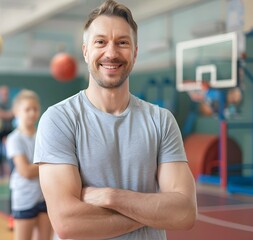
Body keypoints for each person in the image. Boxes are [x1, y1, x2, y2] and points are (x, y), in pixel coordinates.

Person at [34, 1, 197, 239]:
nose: (111, 53)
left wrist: (112, 196)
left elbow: (185, 213)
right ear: (86, 50)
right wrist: (153, 213)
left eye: (122, 42)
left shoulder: (161, 121)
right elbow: (68, 223)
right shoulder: (59, 119)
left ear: (135, 52)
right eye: (100, 42)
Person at [6, 90, 53, 240]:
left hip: (45, 197)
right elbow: (25, 171)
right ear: (16, 112)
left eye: (35, 109)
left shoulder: (43, 135)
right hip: (24, 197)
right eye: (27, 109)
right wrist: (50, 165)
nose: (32, 113)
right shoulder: (14, 139)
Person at [0, 85, 14, 177]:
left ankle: (12, 170)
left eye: (6, 93)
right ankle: (0, 172)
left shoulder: (11, 103)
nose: (4, 95)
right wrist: (7, 114)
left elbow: (12, 114)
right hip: (0, 131)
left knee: (11, 151)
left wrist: (4, 114)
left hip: (9, 130)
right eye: (2, 93)